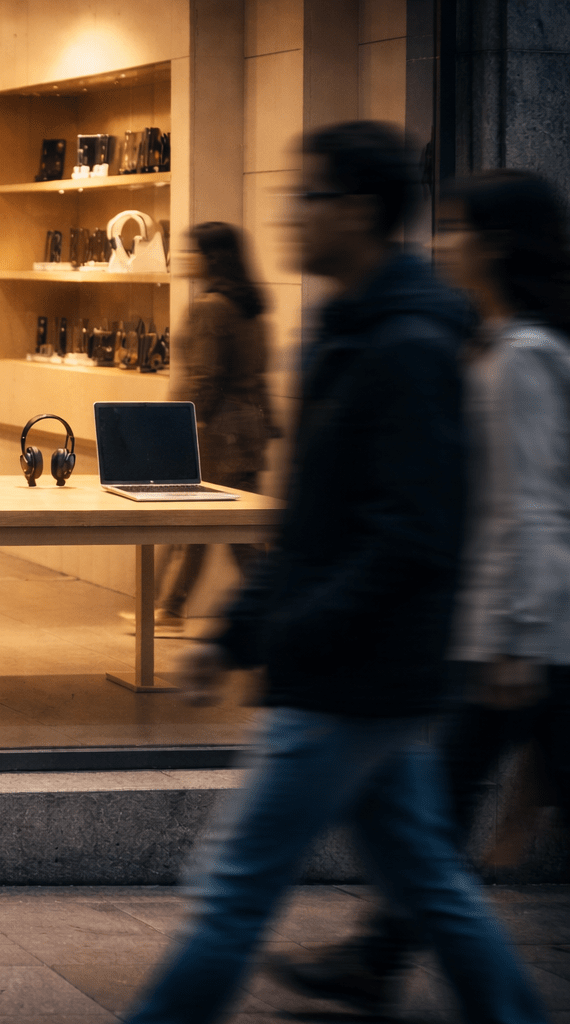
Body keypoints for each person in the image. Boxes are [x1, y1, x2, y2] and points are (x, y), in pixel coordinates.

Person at [124, 121, 546, 1024]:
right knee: (431, 883)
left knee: (234, 889)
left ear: (358, 211)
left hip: (350, 678)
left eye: (306, 196)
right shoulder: (352, 333)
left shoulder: (406, 347)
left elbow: (409, 535)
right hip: (366, 672)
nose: (288, 215)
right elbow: (314, 521)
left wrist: (287, 633)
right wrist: (235, 631)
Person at [270, 169, 570, 1016]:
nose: (445, 243)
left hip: (523, 634)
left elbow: (532, 507)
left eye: (461, 228)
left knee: (436, 806)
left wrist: (515, 638)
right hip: (507, 627)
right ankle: (382, 953)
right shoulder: (495, 343)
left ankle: (383, 954)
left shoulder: (523, 356)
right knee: (433, 806)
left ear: (499, 244)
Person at [152, 222, 274, 632]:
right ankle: (169, 606)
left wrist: (180, 427)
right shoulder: (251, 308)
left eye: (191, 250)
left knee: (210, 522)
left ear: (211, 258)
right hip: (247, 428)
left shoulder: (209, 307)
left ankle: (171, 608)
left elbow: (204, 378)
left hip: (216, 431)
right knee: (227, 526)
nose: (183, 257)